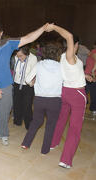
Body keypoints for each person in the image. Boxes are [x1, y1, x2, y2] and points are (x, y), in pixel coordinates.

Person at [0, 22, 49, 156]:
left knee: (4, 113)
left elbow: (29, 38)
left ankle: (3, 133)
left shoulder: (8, 43)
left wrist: (43, 28)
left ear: (1, 33)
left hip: (6, 86)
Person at [50, 24, 86, 169]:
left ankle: (53, 143)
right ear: (75, 45)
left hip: (65, 92)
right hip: (77, 95)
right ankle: (65, 160)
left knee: (61, 119)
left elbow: (72, 73)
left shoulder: (64, 57)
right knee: (75, 128)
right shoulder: (70, 56)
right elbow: (69, 36)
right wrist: (53, 27)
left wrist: (86, 75)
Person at [21, 42, 63, 154]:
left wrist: (33, 83)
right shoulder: (61, 66)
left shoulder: (39, 65)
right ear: (58, 54)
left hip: (39, 100)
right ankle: (45, 150)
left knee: (36, 122)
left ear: (44, 53)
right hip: (55, 101)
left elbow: (27, 79)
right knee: (51, 125)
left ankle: (26, 143)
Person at [13, 45, 37, 129]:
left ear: (26, 54)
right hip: (16, 83)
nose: (19, 58)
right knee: (16, 104)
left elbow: (35, 71)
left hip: (27, 85)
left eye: (21, 56)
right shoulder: (16, 56)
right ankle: (17, 121)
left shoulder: (33, 58)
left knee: (27, 105)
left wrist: (33, 80)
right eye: (17, 55)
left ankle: (29, 125)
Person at [84, 44, 96, 116]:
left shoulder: (93, 51)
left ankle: (93, 109)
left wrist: (93, 72)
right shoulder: (94, 51)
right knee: (91, 93)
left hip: (90, 75)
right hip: (90, 75)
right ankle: (93, 109)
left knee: (89, 93)